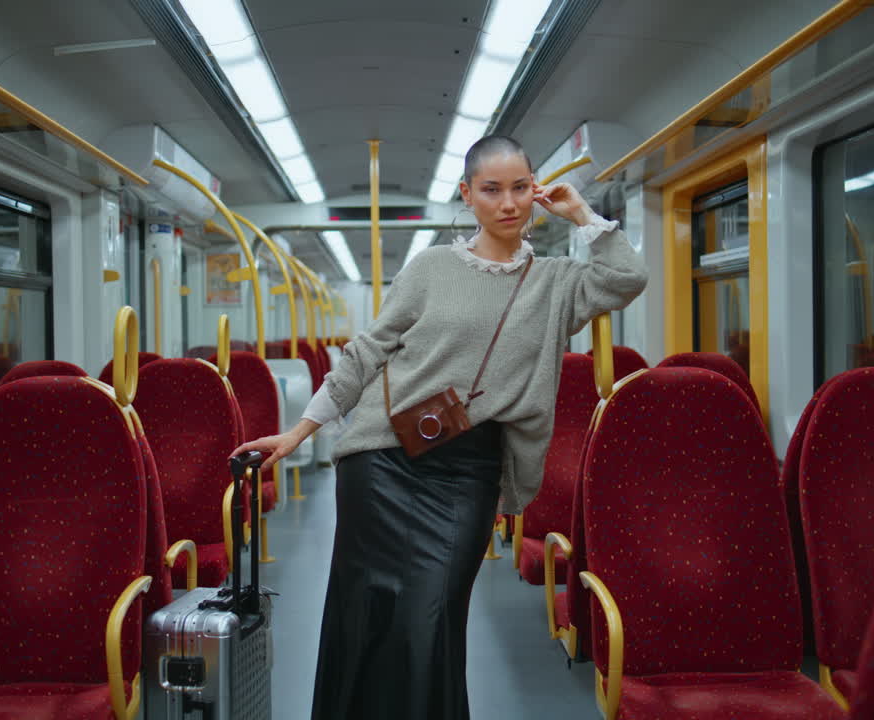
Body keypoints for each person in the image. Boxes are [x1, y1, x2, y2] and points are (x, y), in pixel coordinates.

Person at [230, 135, 648, 719]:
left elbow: (627, 278)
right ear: (467, 196)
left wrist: (582, 214)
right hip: (381, 461)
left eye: (521, 188)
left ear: (538, 191)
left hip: (467, 472)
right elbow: (367, 352)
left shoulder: (558, 283)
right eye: (491, 190)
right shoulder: (429, 268)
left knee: (431, 616)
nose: (508, 203)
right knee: (367, 612)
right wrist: (299, 431)